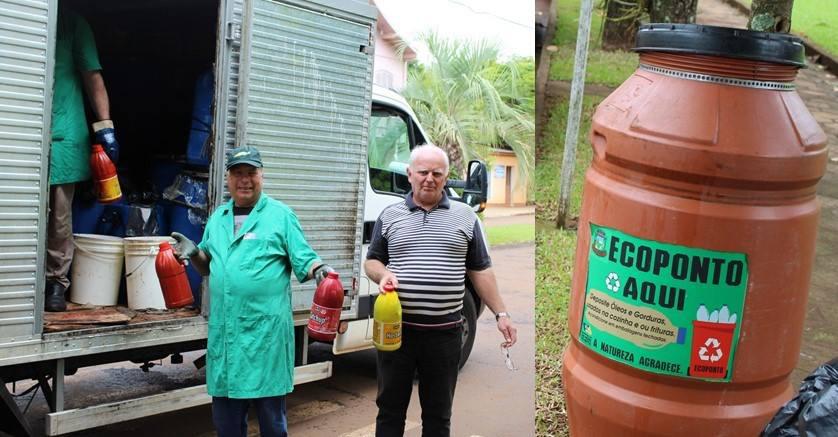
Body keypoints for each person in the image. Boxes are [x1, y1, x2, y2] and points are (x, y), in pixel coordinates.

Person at [171, 145, 334, 437]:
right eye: (237, 173)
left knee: (272, 425)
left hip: (266, 339)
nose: (244, 180)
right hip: (227, 337)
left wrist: (320, 270)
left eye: (251, 173)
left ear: (262, 176)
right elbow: (207, 266)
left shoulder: (281, 215)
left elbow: (304, 258)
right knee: (227, 426)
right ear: (228, 179)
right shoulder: (219, 217)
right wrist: (194, 253)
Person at [364, 144, 518, 437]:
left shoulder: (465, 217)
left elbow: (480, 269)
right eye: (422, 172)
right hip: (398, 333)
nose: (429, 178)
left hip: (445, 335)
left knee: (438, 416)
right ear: (409, 175)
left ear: (446, 177)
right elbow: (372, 261)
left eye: (437, 173)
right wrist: (383, 274)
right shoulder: (390, 215)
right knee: (389, 413)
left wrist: (502, 313)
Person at [45, 7, 120, 312]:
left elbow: (92, 77)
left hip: (64, 132)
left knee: (59, 216)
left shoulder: (75, 25)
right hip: (26, 131)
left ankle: (55, 283)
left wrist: (106, 126)